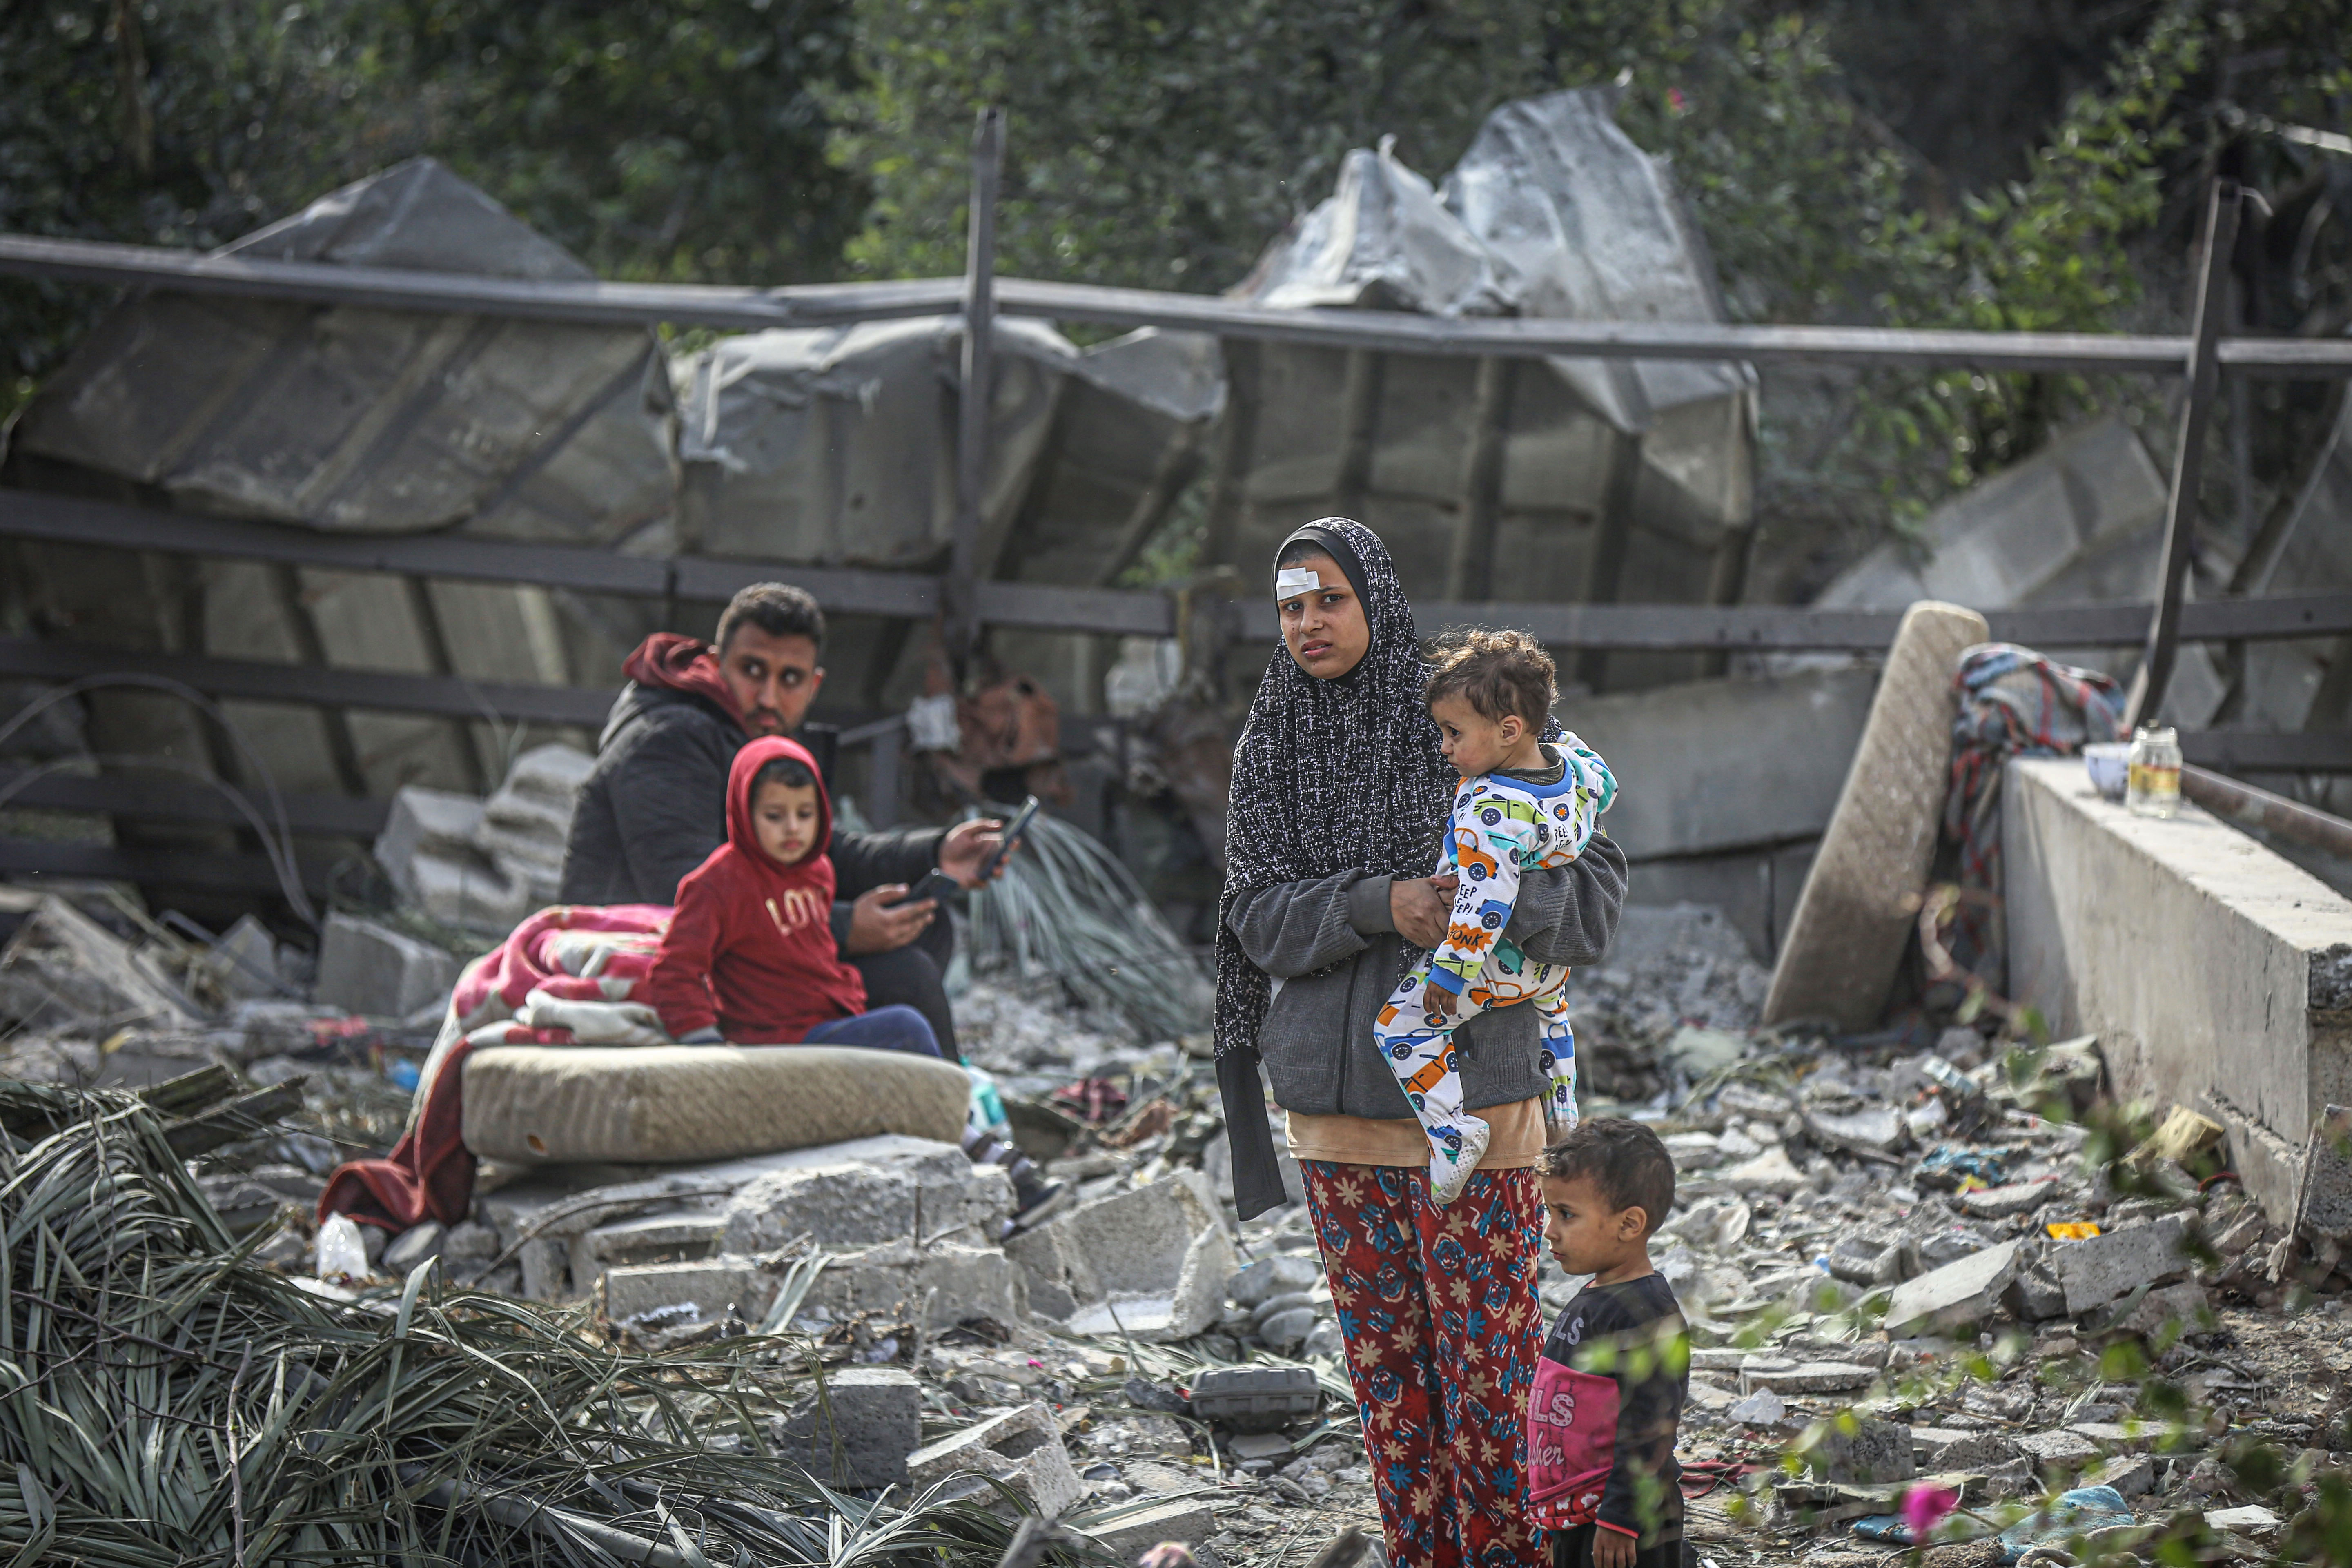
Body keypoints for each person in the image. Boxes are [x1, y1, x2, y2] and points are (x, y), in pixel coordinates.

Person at [1215, 517, 1629, 1568]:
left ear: (1377, 599)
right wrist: (1378, 903)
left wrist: (1493, 896)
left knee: (1491, 1382)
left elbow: (1593, 889)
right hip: (1336, 1120)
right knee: (1391, 1394)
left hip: (1480, 1105)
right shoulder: (1274, 742)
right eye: (1290, 607)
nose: (1308, 622)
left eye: (1330, 599)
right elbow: (1251, 917)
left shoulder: (1466, 712)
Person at [561, 581, 1004, 1060]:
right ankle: (947, 1107)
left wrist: (937, 852)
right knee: (905, 978)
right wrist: (842, 927)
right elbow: (682, 890)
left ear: (814, 686)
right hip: (650, 953)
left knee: (926, 924)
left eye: (789, 679)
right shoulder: (669, 740)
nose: (769, 697)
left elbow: (827, 851)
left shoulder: (752, 740)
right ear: (717, 664)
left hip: (743, 950)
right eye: (752, 671)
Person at [1374, 629, 1617, 1203]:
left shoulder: (1490, 807)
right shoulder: (1574, 768)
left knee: (1399, 1028)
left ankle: (1452, 1131)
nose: (1444, 747)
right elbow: (1606, 786)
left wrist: (1451, 971)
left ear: (1509, 731)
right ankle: (1563, 1103)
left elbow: (1486, 902)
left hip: (1497, 962)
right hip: (1549, 965)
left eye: (1454, 733)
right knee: (1552, 1013)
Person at [644, 735, 940, 1054]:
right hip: (773, 1038)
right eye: (775, 816)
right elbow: (674, 971)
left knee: (912, 975)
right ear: (744, 811)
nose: (793, 828)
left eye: (806, 814)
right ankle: (955, 1089)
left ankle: (957, 1083)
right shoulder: (718, 884)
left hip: (826, 1018)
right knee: (906, 1027)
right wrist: (704, 1041)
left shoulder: (817, 870)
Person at [1528, 1119, 1688, 1568]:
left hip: (1624, 1521)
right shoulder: (1599, 1294)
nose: (1550, 1231)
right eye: (1550, 1212)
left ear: (1629, 1224)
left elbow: (1651, 1424)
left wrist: (1621, 1518)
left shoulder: (1646, 1314)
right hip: (1579, 1510)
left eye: (1567, 1215)